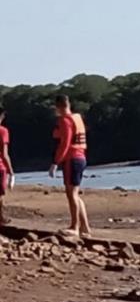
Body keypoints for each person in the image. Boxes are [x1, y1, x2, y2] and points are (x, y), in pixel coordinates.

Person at [49, 95, 91, 237]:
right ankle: (85, 227)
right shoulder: (77, 118)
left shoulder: (65, 120)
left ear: (59, 107)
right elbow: (62, 135)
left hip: (72, 159)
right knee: (76, 194)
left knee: (71, 194)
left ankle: (75, 227)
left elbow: (65, 143)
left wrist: (55, 162)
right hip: (81, 157)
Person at [0, 106, 14, 225]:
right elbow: (4, 154)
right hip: (0, 166)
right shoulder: (3, 131)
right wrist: (11, 171)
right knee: (0, 194)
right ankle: (1, 217)